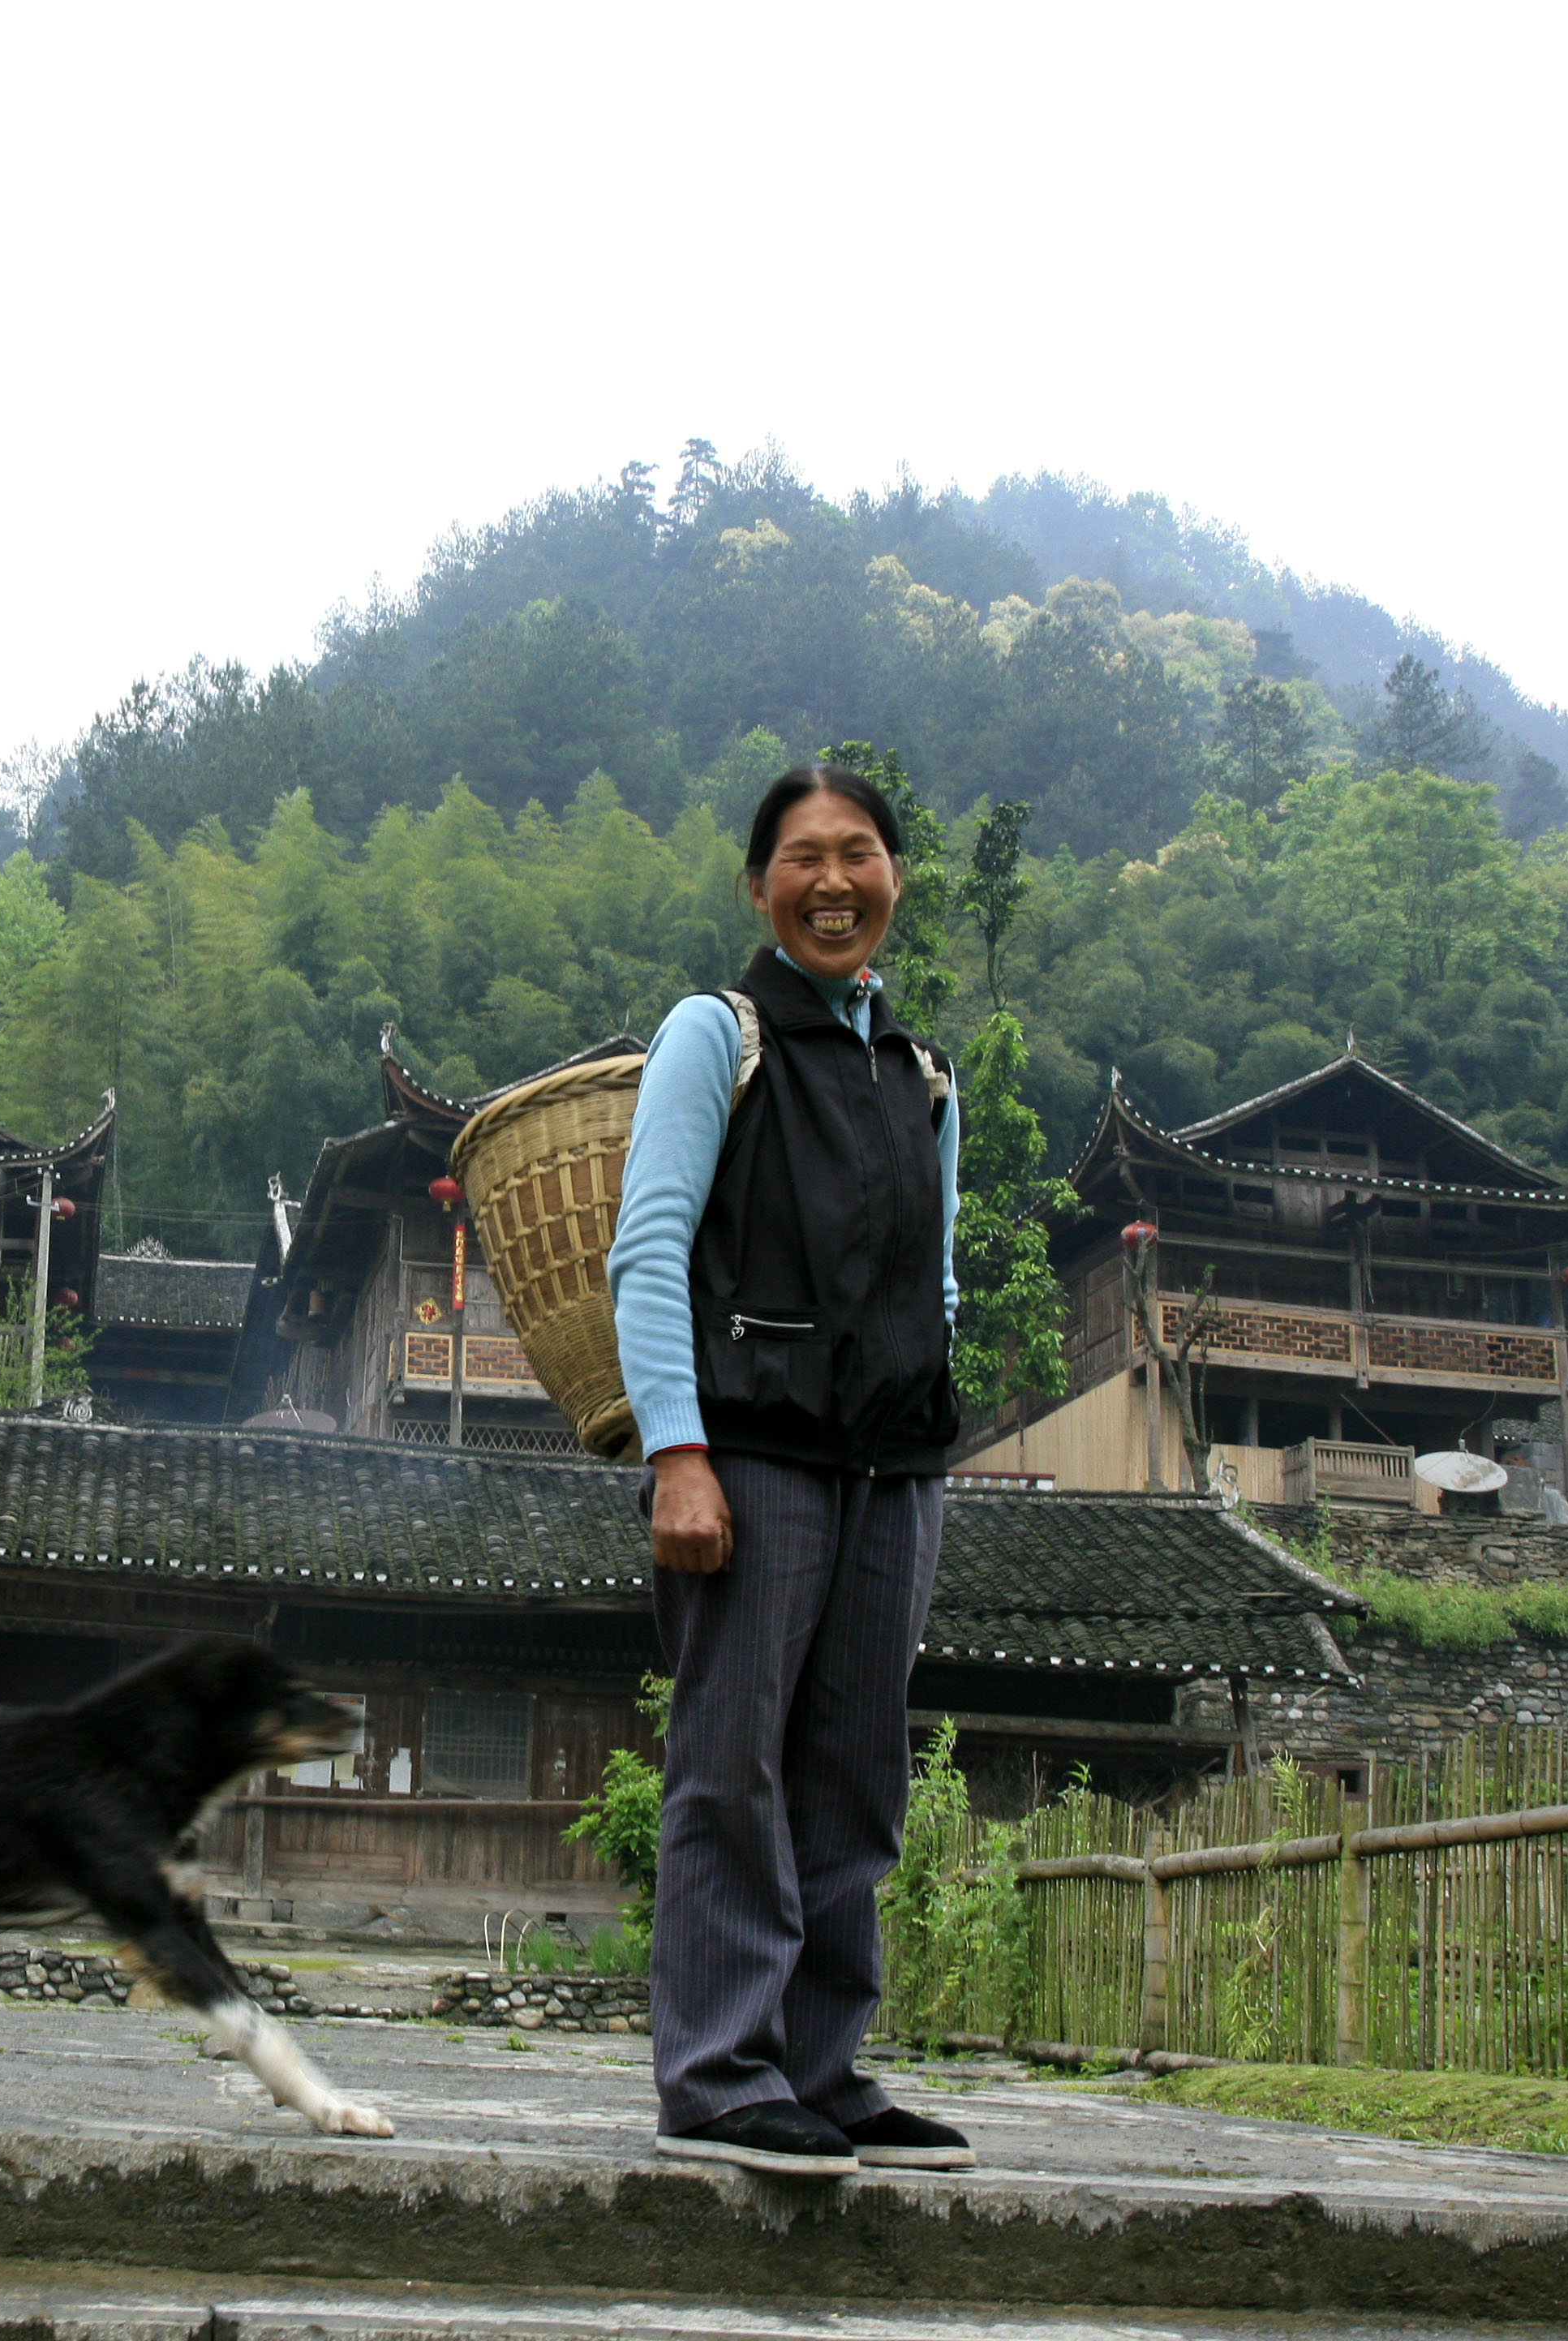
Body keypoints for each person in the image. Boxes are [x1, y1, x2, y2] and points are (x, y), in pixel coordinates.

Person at [604, 754, 978, 2180]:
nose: (836, 881)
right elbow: (648, 1253)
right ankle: (719, 2071)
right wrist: (678, 1454)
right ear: (760, 886)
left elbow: (931, 1283)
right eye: (806, 856)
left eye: (862, 852)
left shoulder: (921, 1075)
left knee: (854, 1775)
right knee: (731, 1767)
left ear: (896, 878)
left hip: (894, 1470)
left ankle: (823, 2070)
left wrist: (934, 1427)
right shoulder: (719, 1033)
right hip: (750, 1455)